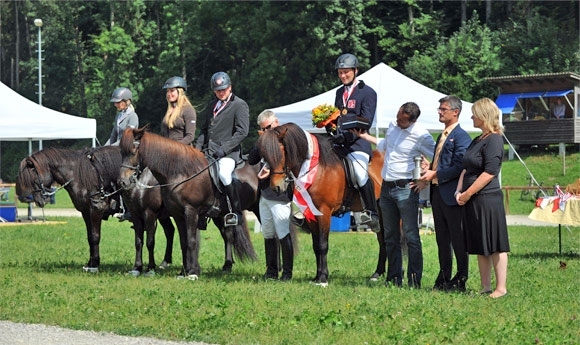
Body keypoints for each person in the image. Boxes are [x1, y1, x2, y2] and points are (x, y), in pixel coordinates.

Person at [359, 102, 435, 288]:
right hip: (387, 187)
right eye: (397, 117)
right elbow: (387, 145)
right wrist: (365, 136)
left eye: (402, 120)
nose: (397, 121)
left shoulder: (421, 135)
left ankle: (414, 279)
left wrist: (427, 177)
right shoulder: (393, 126)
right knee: (390, 235)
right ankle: (393, 278)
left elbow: (439, 155)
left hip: (406, 188)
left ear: (412, 121)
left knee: (410, 235)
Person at [456, 97, 510, 299]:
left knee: (495, 243)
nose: (471, 116)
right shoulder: (477, 140)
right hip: (472, 200)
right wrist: (459, 191)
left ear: (484, 115)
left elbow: (489, 173)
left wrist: (468, 193)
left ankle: (501, 287)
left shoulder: (494, 139)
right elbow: (466, 168)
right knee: (480, 243)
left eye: (474, 113)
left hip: (487, 199)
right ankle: (486, 286)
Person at [420, 95, 472, 292]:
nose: (439, 112)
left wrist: (437, 173)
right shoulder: (442, 135)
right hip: (438, 194)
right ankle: (443, 277)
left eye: (443, 109)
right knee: (442, 238)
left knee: (458, 239)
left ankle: (461, 278)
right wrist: (430, 167)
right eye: (439, 109)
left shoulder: (461, 137)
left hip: (452, 195)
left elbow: (461, 165)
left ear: (455, 112)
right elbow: (444, 162)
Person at [328, 53, 379, 231]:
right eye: (340, 73)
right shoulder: (339, 92)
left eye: (346, 72)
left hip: (358, 144)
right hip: (339, 144)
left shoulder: (367, 92)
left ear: (356, 71)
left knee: (358, 172)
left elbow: (366, 121)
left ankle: (372, 212)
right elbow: (336, 117)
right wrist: (330, 128)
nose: (343, 76)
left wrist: (348, 136)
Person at [195, 72, 250, 227]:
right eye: (218, 90)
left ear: (230, 87)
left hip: (228, 153)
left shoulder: (239, 105)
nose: (221, 92)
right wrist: (197, 150)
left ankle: (236, 211)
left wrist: (224, 149)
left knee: (224, 174)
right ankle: (203, 212)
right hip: (208, 151)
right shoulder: (212, 105)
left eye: (224, 89)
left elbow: (242, 132)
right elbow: (204, 131)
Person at [248, 110, 293, 281]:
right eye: (263, 129)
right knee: (267, 232)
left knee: (282, 231)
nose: (267, 131)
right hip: (264, 192)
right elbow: (252, 160)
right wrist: (261, 141)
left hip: (280, 192)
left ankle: (287, 273)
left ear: (276, 122)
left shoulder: (286, 139)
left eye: (268, 127)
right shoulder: (264, 140)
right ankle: (272, 271)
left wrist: (270, 168)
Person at [106, 87, 139, 222]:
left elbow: (126, 138)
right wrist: (103, 148)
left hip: (128, 151)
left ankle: (129, 208)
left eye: (118, 102)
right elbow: (113, 136)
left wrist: (111, 148)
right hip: (116, 150)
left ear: (126, 101)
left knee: (122, 176)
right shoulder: (118, 115)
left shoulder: (133, 116)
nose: (115, 104)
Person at [161, 76, 196, 145]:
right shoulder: (170, 110)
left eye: (172, 91)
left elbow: (190, 136)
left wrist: (175, 147)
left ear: (180, 92)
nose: (168, 94)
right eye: (167, 91)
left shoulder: (188, 110)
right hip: (167, 150)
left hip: (182, 151)